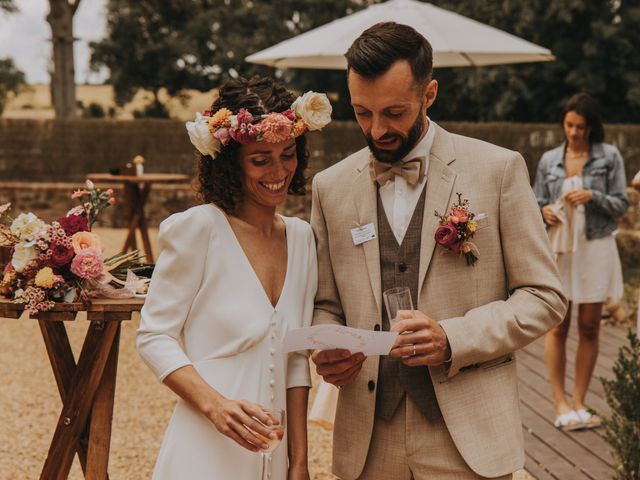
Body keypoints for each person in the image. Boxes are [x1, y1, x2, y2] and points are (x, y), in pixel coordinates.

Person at [310, 21, 567, 480]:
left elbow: (544, 297)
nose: (377, 129)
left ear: (429, 95)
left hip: (470, 436)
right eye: (362, 112)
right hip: (369, 440)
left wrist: (454, 338)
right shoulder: (329, 187)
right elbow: (326, 303)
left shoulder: (499, 169)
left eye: (394, 112)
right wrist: (327, 342)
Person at [136, 76, 331, 479]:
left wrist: (299, 462)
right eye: (261, 159)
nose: (278, 172)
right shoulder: (198, 229)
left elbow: (296, 360)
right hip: (205, 448)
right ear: (229, 163)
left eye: (288, 154)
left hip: (274, 455)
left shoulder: (302, 238)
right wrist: (216, 406)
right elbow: (154, 336)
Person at [534, 92, 628, 430]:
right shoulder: (548, 161)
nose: (574, 133)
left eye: (581, 127)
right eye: (569, 125)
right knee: (558, 324)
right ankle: (559, 403)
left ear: (592, 127)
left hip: (596, 246)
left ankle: (579, 402)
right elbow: (535, 204)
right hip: (560, 250)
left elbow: (621, 205)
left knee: (589, 326)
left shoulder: (610, 156)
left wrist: (593, 195)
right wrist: (543, 210)